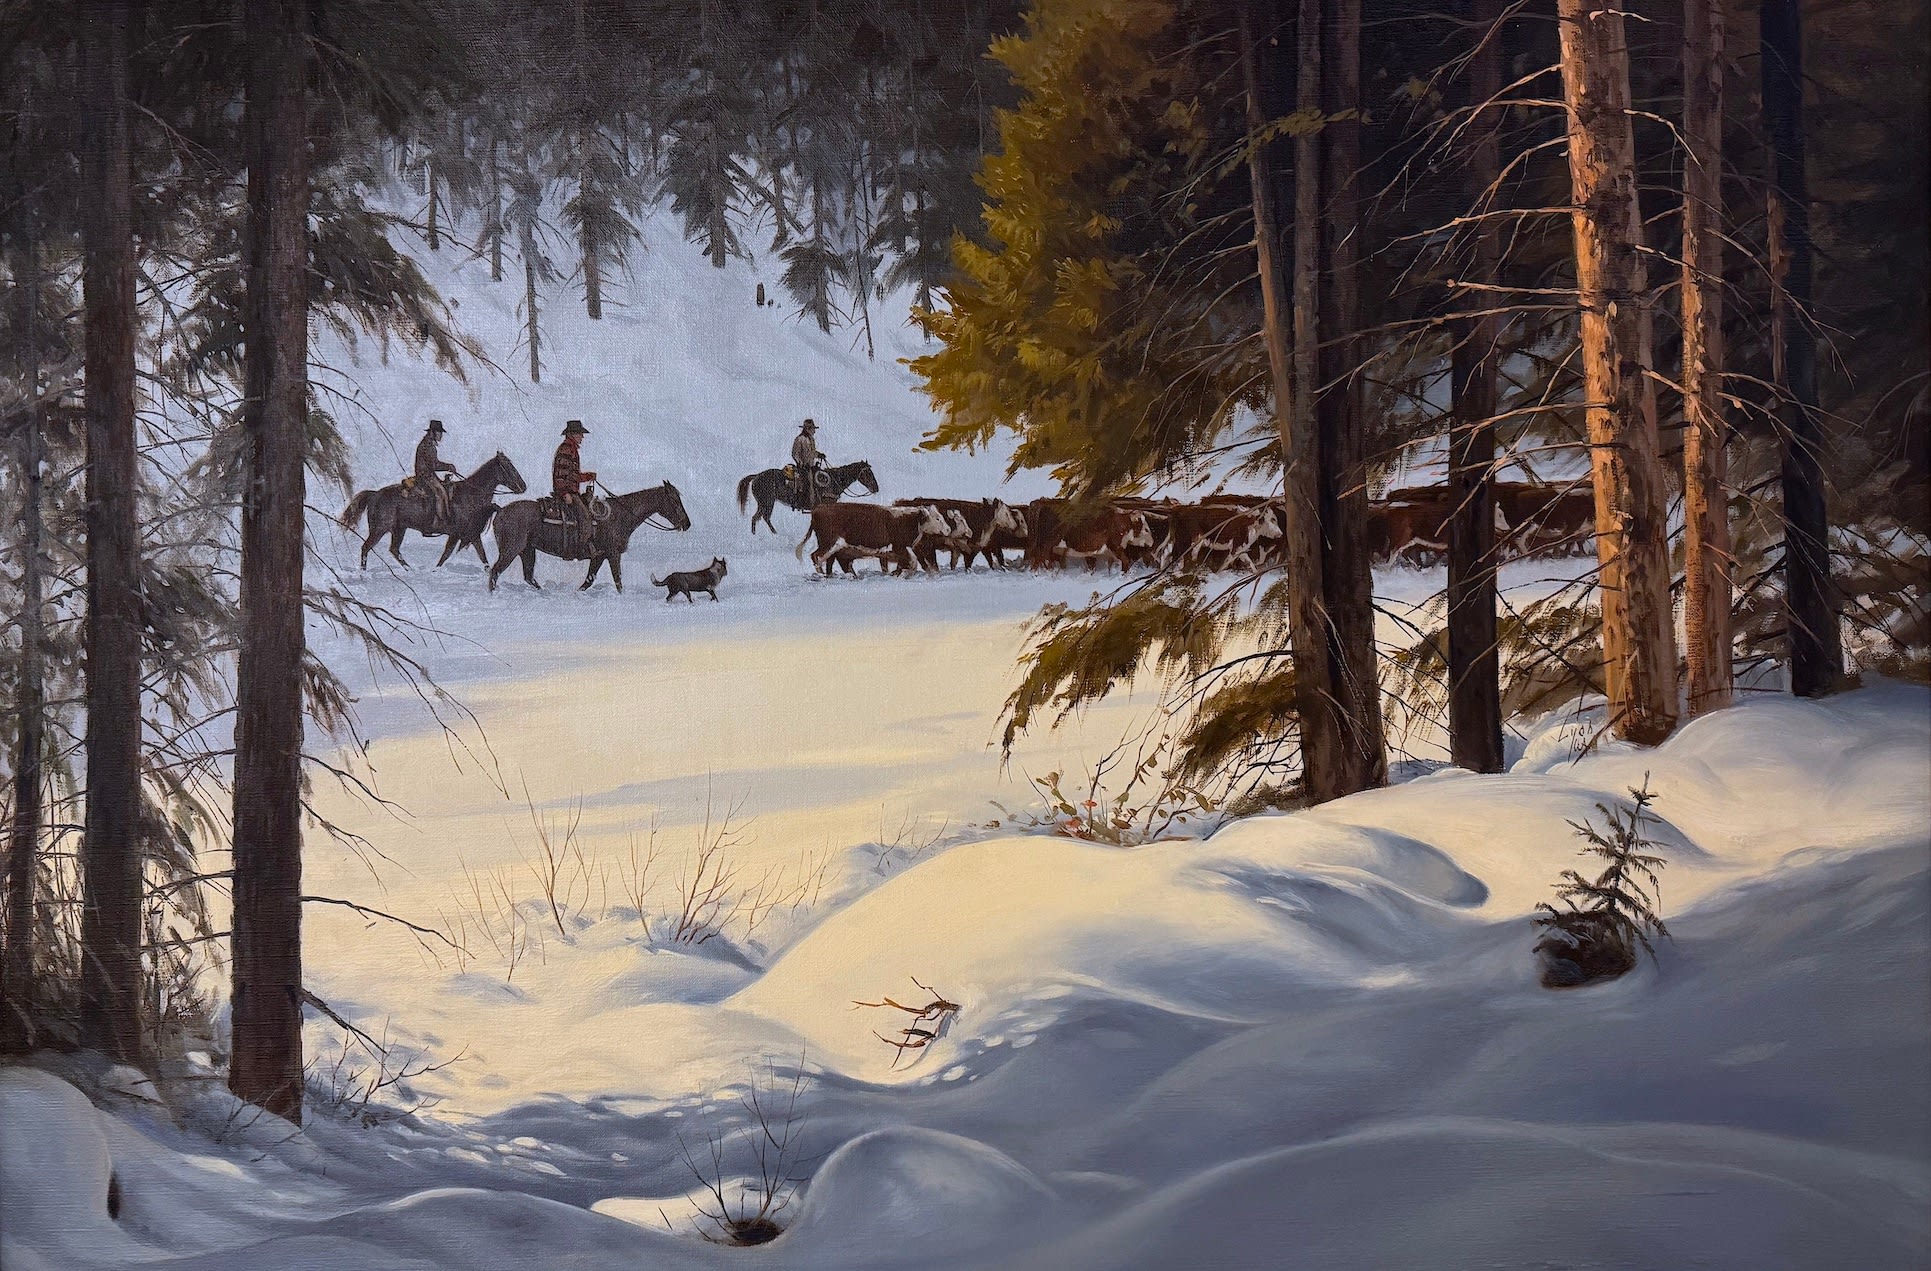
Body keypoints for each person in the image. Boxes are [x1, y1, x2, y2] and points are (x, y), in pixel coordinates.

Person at [551, 420, 598, 547]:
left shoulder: (570, 449)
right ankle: (582, 547)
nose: (582, 437)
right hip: (567, 492)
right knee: (585, 517)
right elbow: (561, 473)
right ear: (572, 434)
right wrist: (564, 493)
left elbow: (573, 475)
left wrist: (588, 476)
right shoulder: (567, 449)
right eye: (580, 434)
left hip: (571, 491)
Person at [412, 419, 457, 527]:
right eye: (439, 432)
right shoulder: (427, 445)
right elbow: (434, 465)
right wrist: (448, 467)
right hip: (424, 476)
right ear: (432, 432)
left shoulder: (429, 444)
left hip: (429, 475)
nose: (441, 435)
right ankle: (440, 521)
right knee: (440, 493)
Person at [790, 418, 825, 506]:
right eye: (812, 429)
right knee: (809, 481)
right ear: (807, 429)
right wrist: (801, 463)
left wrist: (819, 455)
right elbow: (795, 454)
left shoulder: (811, 440)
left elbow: (812, 453)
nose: (814, 431)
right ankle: (808, 503)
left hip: (811, 466)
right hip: (803, 467)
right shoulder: (799, 439)